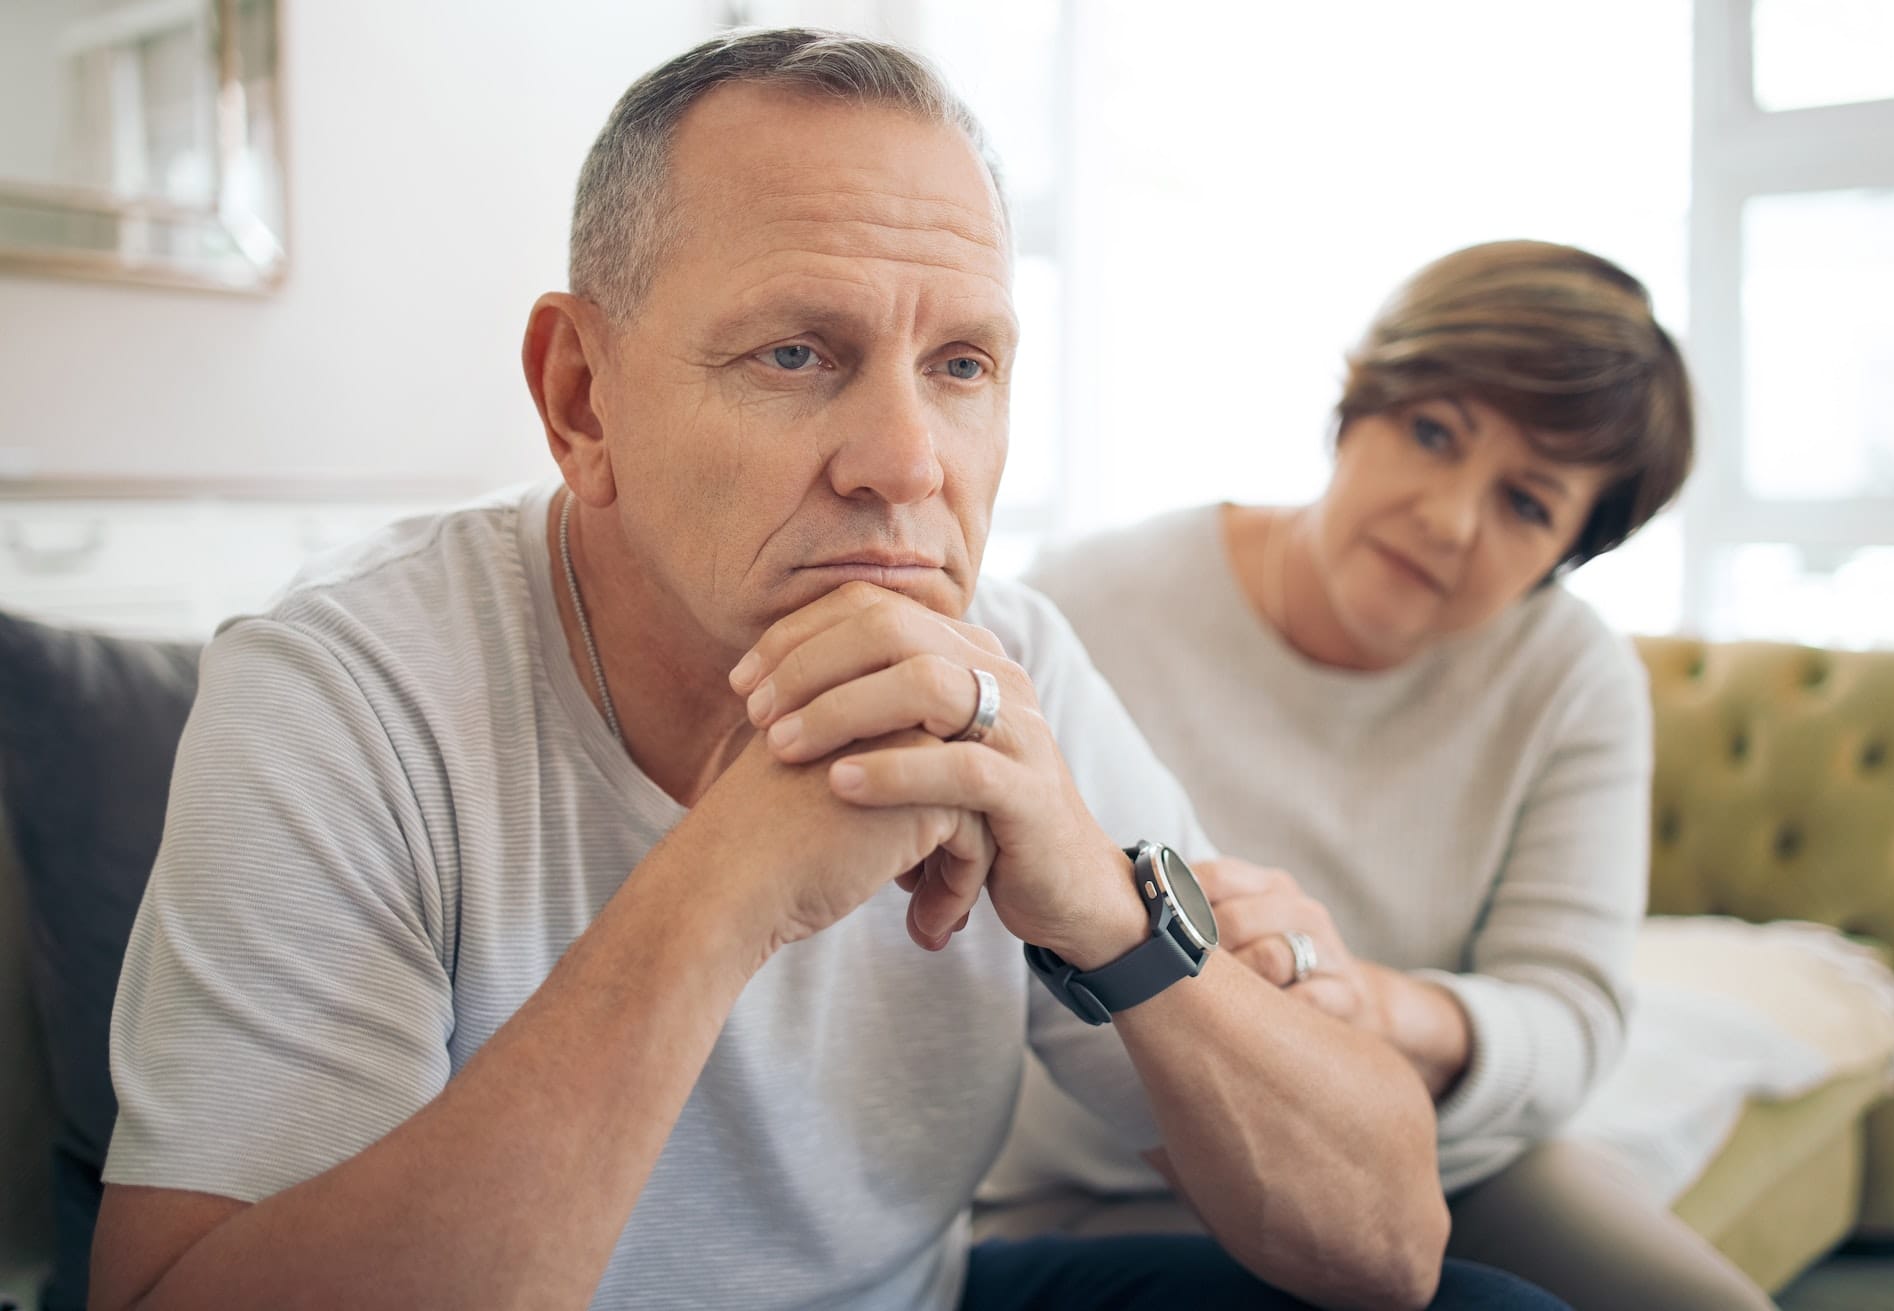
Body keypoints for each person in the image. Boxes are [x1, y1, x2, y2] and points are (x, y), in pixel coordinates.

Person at [84, 30, 1566, 1311]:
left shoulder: (1011, 663)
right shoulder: (349, 692)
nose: (908, 464)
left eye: (963, 365)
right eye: (799, 351)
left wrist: (1104, 911)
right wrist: (721, 889)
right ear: (580, 396)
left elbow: (1386, 1240)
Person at [1012, 241, 1775, 1310]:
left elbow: (1570, 1014)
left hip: (1433, 1157)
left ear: (1565, 552)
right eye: (1432, 436)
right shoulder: (1084, 609)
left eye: (1523, 504)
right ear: (1355, 405)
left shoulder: (1569, 677)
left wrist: (1371, 1003)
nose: (1448, 518)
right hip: (1095, 1168)